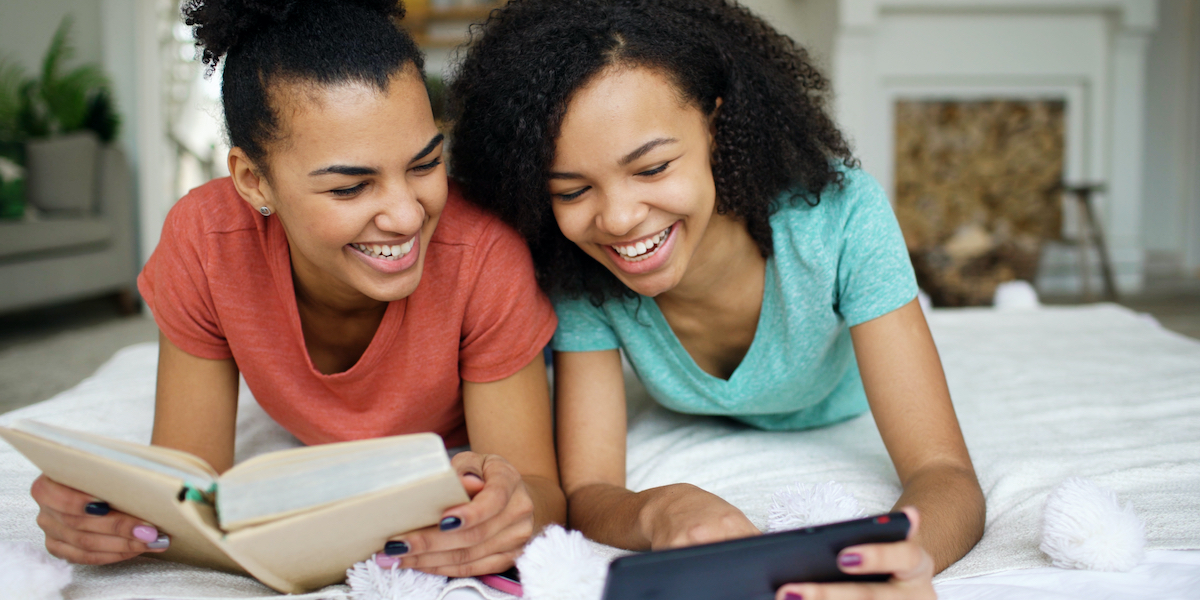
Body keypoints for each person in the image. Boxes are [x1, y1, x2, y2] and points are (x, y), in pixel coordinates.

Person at [448, 0, 985, 597]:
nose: (618, 219)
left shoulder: (840, 220)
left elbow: (945, 472)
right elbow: (589, 491)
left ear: (715, 126)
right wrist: (661, 508)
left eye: (652, 168)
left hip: (837, 399)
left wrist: (893, 561)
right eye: (573, 191)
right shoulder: (578, 266)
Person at [29, 0, 563, 578]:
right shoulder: (206, 242)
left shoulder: (483, 253)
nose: (408, 216)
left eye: (425, 164)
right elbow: (188, 486)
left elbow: (540, 490)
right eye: (350, 188)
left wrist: (510, 512)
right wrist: (108, 517)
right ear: (252, 180)